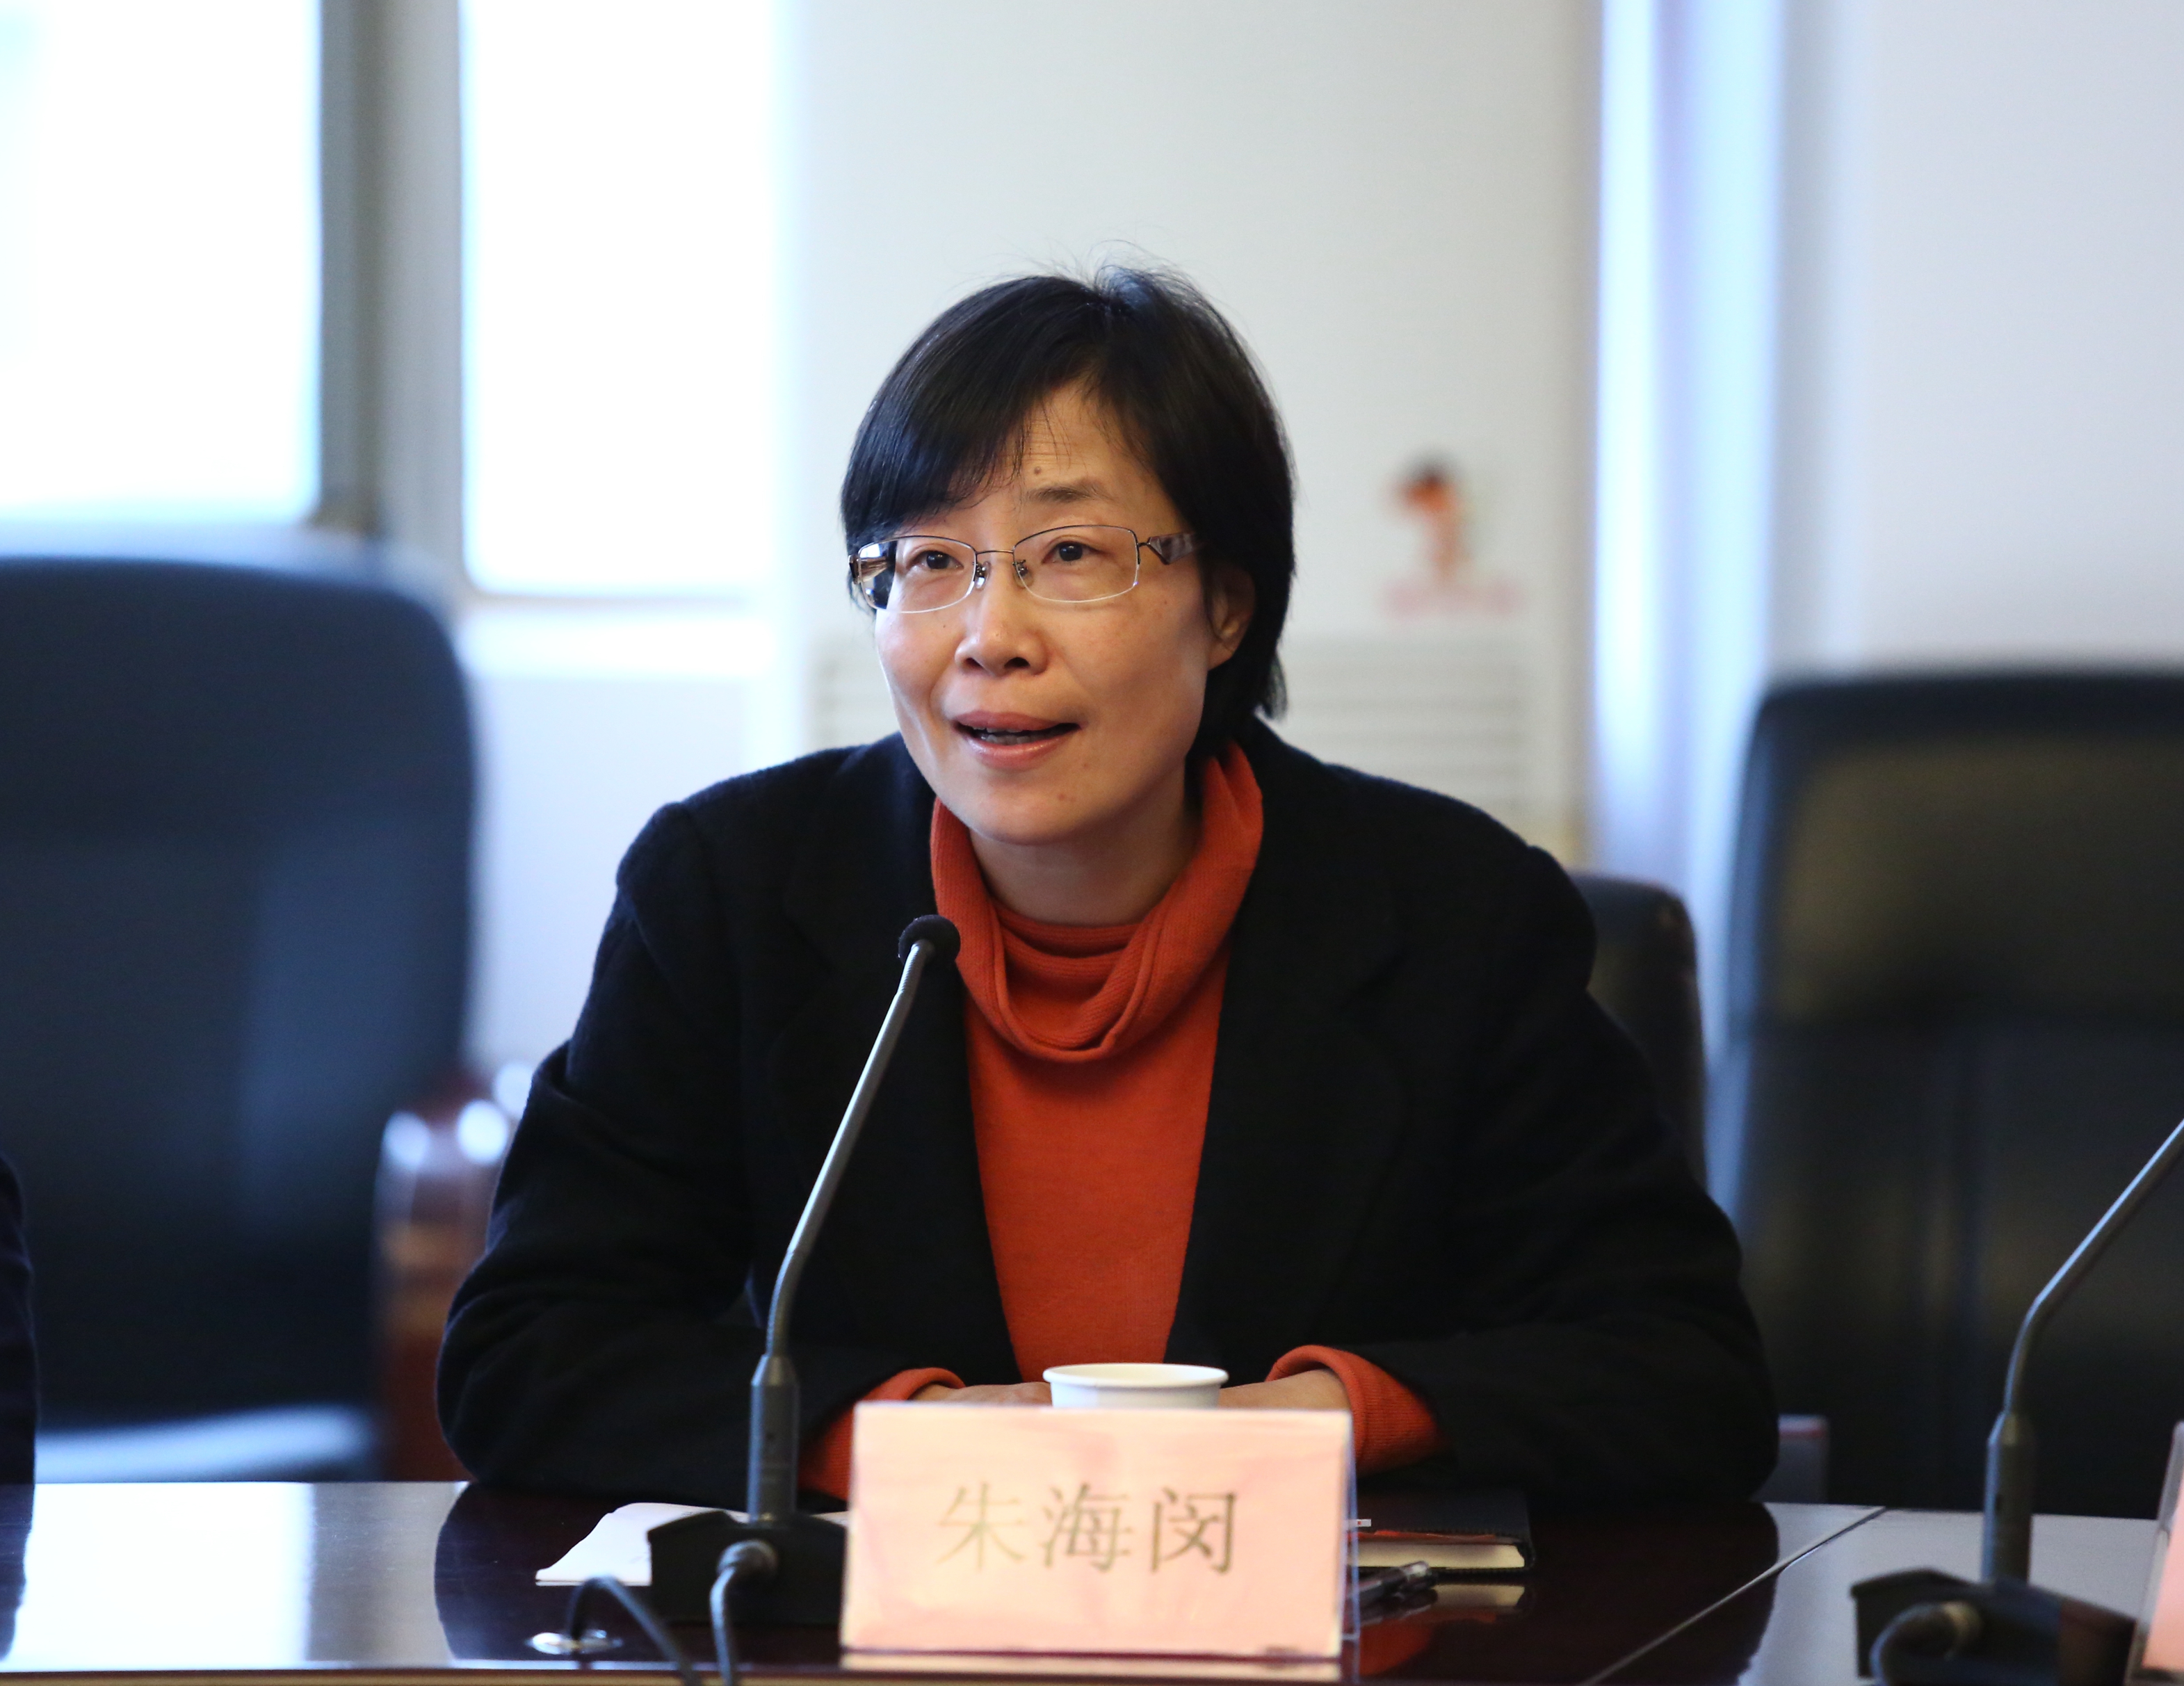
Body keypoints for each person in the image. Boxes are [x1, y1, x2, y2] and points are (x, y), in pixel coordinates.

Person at [438, 268, 1775, 1507]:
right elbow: (528, 1354)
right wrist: (908, 1437)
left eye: (1070, 554)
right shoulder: (731, 893)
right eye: (927, 563)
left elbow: (1685, 1375)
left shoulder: (1453, 913)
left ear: (1227, 606)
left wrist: (1314, 1420)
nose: (989, 637)